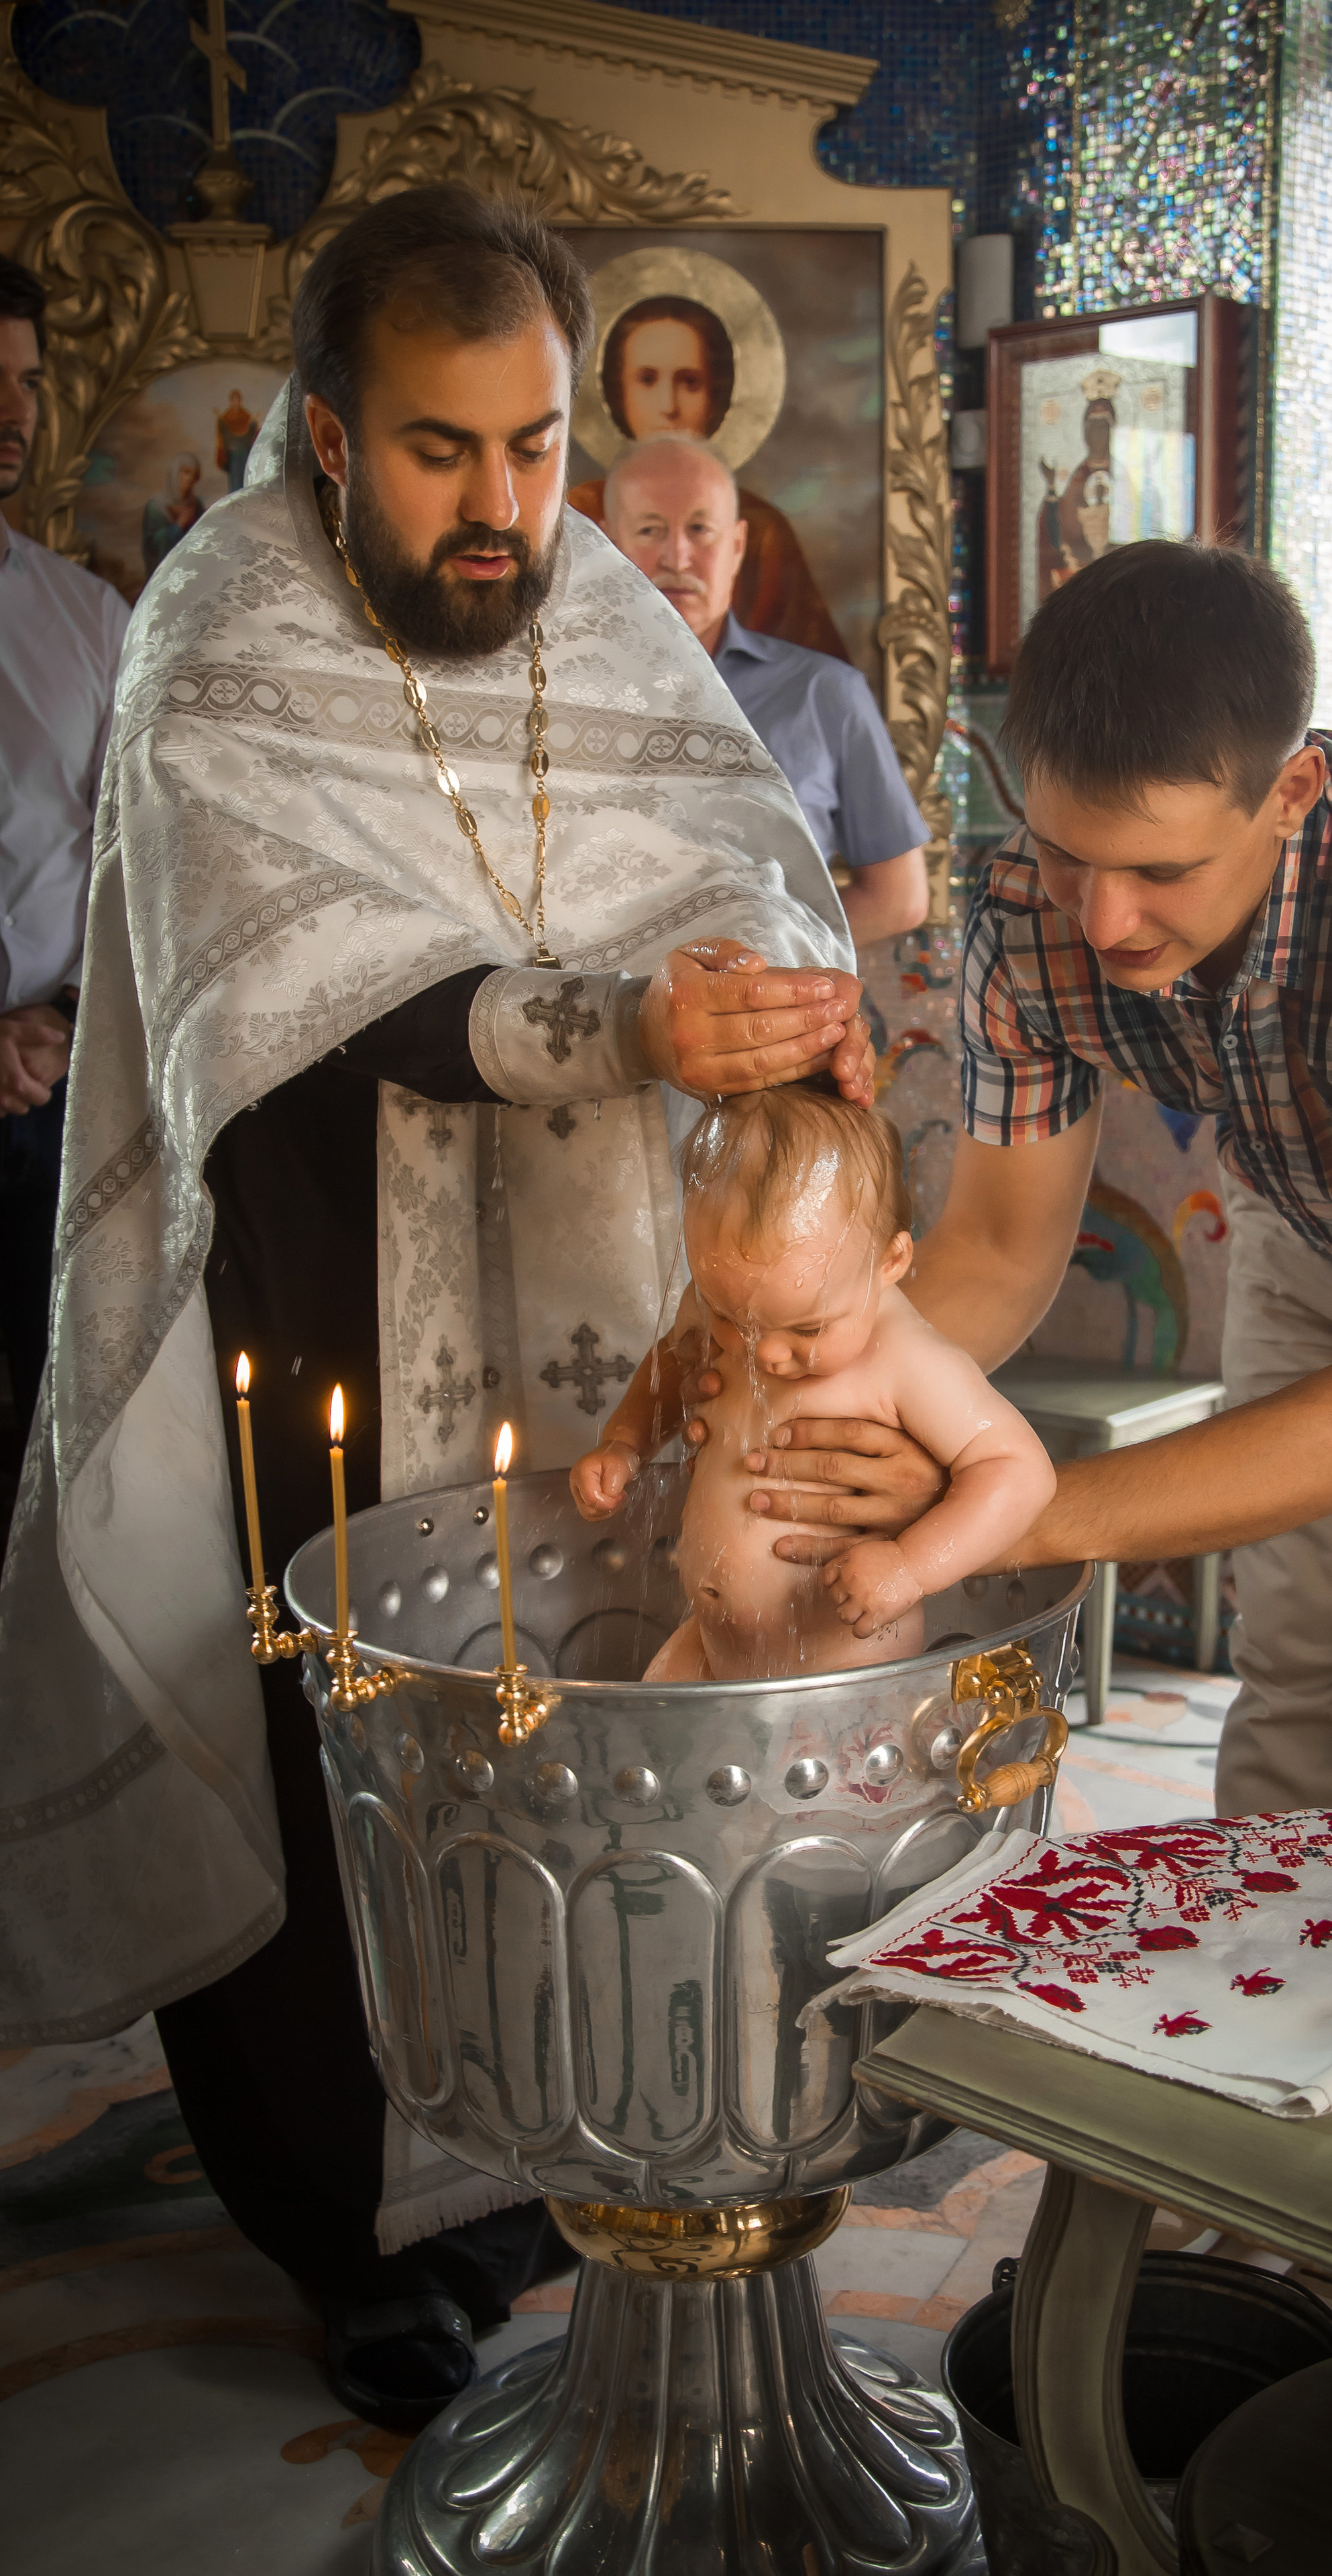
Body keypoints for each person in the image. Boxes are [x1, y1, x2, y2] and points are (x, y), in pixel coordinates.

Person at [0, 184, 873, 2428]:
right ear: (324, 432)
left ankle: (562, 2144)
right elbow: (282, 977)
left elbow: (745, 839)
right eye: (440, 452)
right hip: (324, 1291)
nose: (504, 510)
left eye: (536, 446)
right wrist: (612, 1027)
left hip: (591, 1282)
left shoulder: (589, 601)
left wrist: (769, 1002)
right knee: (333, 1748)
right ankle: (355, 2229)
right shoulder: (219, 624)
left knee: (575, 1707)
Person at [729, 541, 1332, 1853]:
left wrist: (992, 1503)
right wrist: (787, 1402)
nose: (1102, 920)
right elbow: (997, 1254)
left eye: (1160, 873)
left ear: (1290, 791)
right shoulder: (1035, 900)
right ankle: (1261, 2015)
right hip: (1311, 1201)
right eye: (1068, 855)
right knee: (1298, 1652)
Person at [573, 1083, 1054, 1678]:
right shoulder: (731, 1299)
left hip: (842, 1667)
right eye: (730, 1317)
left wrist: (909, 1566)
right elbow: (673, 1361)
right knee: (655, 1749)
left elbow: (1020, 1471)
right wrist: (626, 1442)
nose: (766, 1352)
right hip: (709, 1646)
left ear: (890, 1264)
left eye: (808, 1329)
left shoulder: (907, 1358)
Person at [605, 435, 930, 947]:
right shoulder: (558, 695)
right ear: (607, 546)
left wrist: (774, 960)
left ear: (736, 546)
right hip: (606, 1010)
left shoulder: (825, 694)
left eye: (700, 529)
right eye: (649, 530)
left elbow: (900, 898)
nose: (678, 556)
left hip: (777, 1008)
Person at [0, 254, 129, 1444]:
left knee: (53, 1432)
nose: (13, 417)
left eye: (28, 382)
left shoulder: (88, 624)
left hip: (43, 1099)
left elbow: (136, 857)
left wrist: (58, 1019)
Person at [567, 292, 848, 659]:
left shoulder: (769, 531)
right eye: (647, 380)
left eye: (690, 382)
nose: (668, 405)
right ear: (617, 391)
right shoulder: (573, 516)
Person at [141, 448, 203, 574]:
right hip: (165, 573)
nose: (191, 479)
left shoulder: (196, 505)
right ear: (175, 472)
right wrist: (178, 526)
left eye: (194, 476)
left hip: (192, 569)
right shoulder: (156, 506)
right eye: (186, 472)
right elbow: (152, 545)